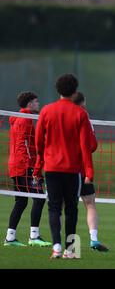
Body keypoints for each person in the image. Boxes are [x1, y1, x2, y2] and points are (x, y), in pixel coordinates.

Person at [34, 74, 94, 259]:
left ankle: (57, 247)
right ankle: (71, 249)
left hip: (52, 168)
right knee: (71, 209)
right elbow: (86, 146)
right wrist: (89, 172)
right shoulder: (80, 113)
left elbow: (38, 142)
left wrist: (39, 165)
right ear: (74, 90)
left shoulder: (46, 110)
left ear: (57, 90)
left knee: (53, 208)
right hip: (73, 170)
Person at [4, 92, 52, 247]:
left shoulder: (19, 118)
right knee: (38, 198)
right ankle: (34, 236)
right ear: (30, 104)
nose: (39, 104)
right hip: (25, 166)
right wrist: (31, 167)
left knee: (21, 201)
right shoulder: (26, 119)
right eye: (36, 102)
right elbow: (22, 144)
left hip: (15, 166)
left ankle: (10, 238)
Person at [72, 92, 108, 252]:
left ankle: (59, 244)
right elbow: (92, 144)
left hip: (58, 168)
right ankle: (93, 239)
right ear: (82, 102)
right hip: (80, 168)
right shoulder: (83, 116)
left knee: (59, 206)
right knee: (90, 203)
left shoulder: (52, 112)